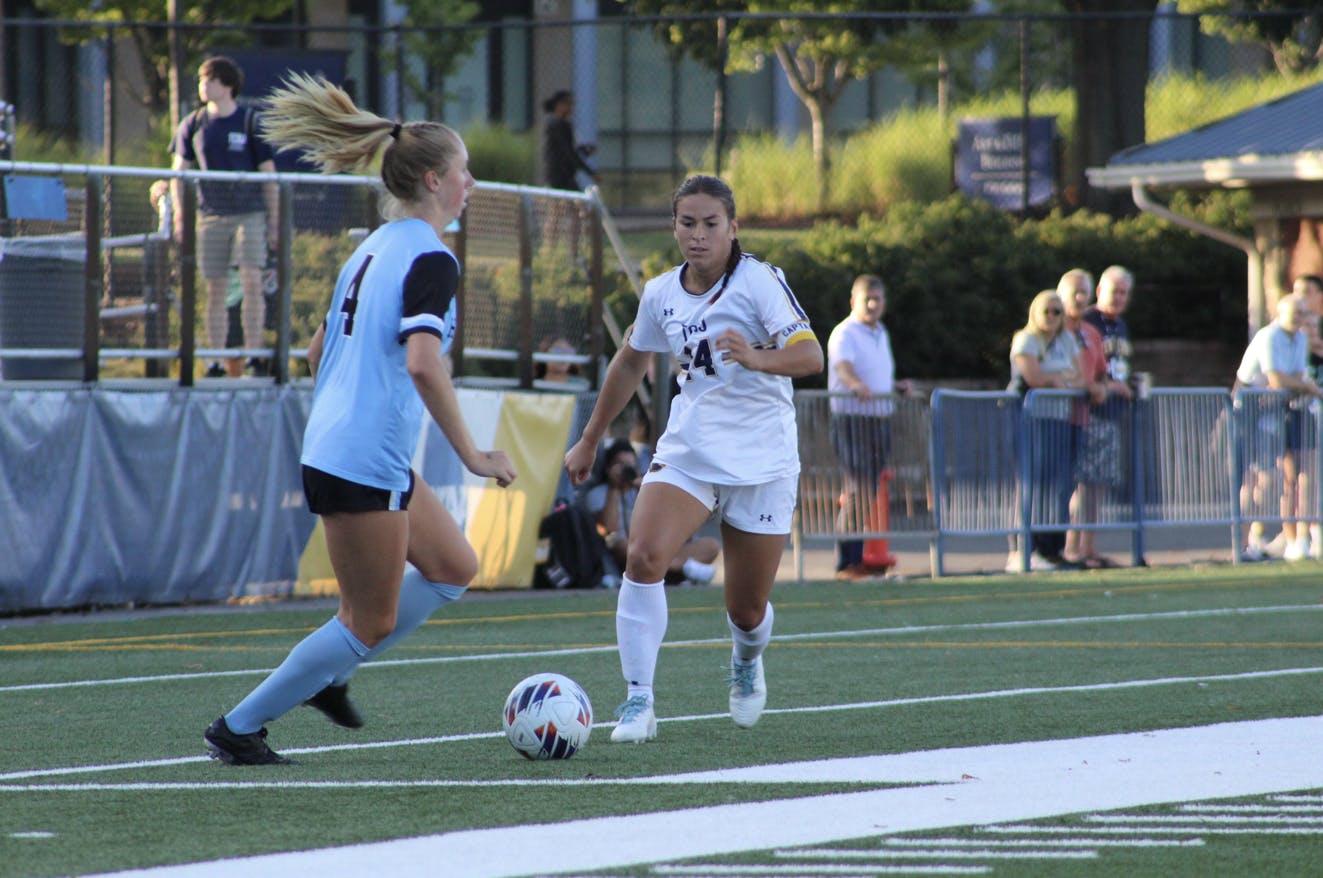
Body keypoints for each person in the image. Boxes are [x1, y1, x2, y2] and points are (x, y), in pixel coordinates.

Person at [202, 73, 518, 765]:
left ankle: (334, 671)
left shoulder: (372, 246)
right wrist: (474, 455)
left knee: (453, 567)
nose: (472, 185)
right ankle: (239, 727)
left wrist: (351, 412)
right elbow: (423, 363)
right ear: (435, 180)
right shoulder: (431, 257)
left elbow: (317, 349)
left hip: (354, 447)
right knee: (368, 618)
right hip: (361, 456)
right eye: (465, 173)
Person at [563, 174, 823, 744]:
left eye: (711, 224)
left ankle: (746, 659)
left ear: (733, 228)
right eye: (688, 223)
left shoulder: (760, 282)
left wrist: (757, 358)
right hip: (690, 450)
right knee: (643, 555)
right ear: (674, 226)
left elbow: (810, 356)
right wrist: (589, 438)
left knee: (747, 610)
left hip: (762, 460)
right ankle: (638, 702)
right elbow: (631, 364)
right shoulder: (660, 293)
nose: (699, 235)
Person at [170, 56, 279, 378]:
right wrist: (180, 216)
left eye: (211, 79)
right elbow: (179, 173)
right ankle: (215, 360)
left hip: (250, 214)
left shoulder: (250, 122)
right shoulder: (193, 123)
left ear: (228, 84)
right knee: (215, 287)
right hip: (210, 216)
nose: (204, 85)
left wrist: (274, 223)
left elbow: (270, 176)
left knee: (251, 281)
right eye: (201, 79)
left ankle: (254, 357)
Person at [826, 274, 911, 581]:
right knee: (857, 488)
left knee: (869, 490)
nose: (873, 304)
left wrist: (894, 386)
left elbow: (876, 376)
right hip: (852, 420)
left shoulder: (881, 331)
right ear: (854, 301)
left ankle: (854, 559)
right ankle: (845, 562)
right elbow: (844, 368)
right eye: (867, 299)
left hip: (879, 418)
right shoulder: (844, 332)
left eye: (878, 299)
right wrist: (856, 385)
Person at [1235, 293, 1321, 562]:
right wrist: (1306, 386)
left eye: (1303, 313)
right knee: (1256, 476)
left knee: (1273, 478)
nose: (1299, 319)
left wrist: (1296, 383)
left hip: (1275, 408)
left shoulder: (1300, 338)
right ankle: (1242, 542)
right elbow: (1277, 376)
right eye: (1295, 313)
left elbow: (1293, 376)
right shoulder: (1269, 335)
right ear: (1279, 314)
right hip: (1250, 408)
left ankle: (1257, 538)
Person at [1006, 290, 1082, 572]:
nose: (1051, 317)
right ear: (1035, 312)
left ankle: (1052, 548)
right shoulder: (1026, 338)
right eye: (1046, 311)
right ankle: (1025, 548)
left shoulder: (1066, 339)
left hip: (1059, 419)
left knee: (1059, 486)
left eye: (1057, 311)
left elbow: (1080, 376)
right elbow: (1034, 377)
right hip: (1032, 420)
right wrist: (1057, 378)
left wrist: (1056, 379)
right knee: (1033, 484)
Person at [584, 438, 720, 587]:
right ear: (608, 468)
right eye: (620, 465)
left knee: (711, 545)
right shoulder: (598, 493)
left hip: (655, 549)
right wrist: (614, 489)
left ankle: (680, 568)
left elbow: (670, 518)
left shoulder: (643, 487)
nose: (626, 469)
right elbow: (609, 529)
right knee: (621, 545)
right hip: (623, 554)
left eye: (630, 465)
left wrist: (640, 486)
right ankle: (684, 569)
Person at [1058, 269, 1116, 569]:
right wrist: (1088, 386)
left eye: (1085, 292)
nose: (1080, 299)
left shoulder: (1091, 333)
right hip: (1056, 421)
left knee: (1093, 485)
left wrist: (1102, 388)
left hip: (1089, 419)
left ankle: (1087, 549)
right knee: (1062, 487)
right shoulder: (1054, 332)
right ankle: (1064, 548)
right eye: (1074, 292)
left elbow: (1101, 375)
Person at [541, 89, 597, 261]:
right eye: (568, 103)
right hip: (561, 177)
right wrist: (590, 172)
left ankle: (553, 252)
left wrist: (583, 150)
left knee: (560, 214)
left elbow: (569, 150)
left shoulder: (559, 125)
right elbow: (567, 153)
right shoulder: (558, 125)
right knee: (569, 213)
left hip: (560, 175)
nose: (571, 107)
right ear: (559, 105)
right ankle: (565, 252)